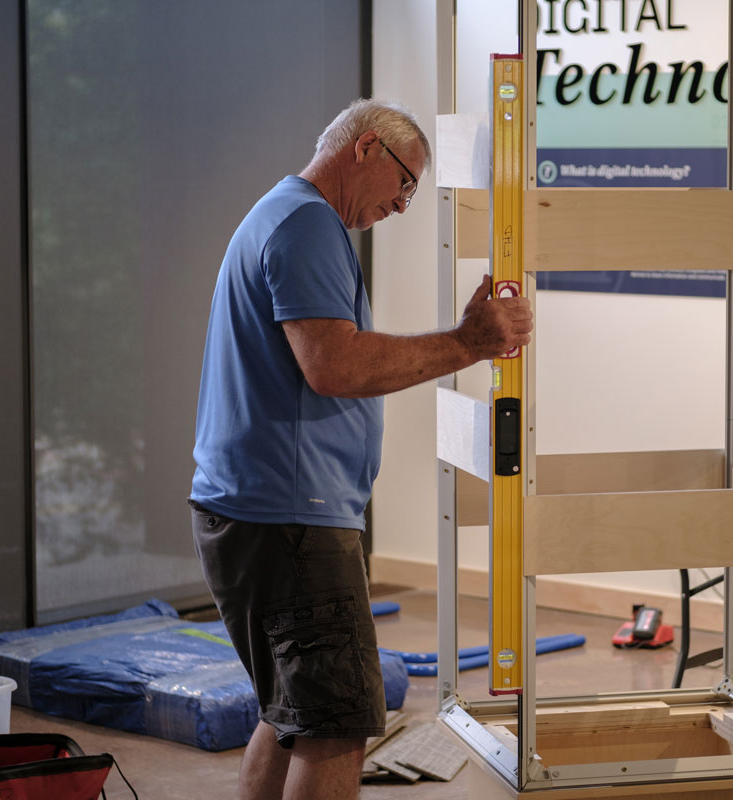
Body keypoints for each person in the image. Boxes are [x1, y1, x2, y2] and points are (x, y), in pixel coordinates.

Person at [188, 98, 532, 800]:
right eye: (405, 183)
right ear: (367, 149)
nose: (404, 206)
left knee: (291, 717)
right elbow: (334, 366)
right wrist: (469, 343)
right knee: (336, 725)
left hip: (256, 510)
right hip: (292, 520)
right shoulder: (307, 223)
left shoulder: (283, 215)